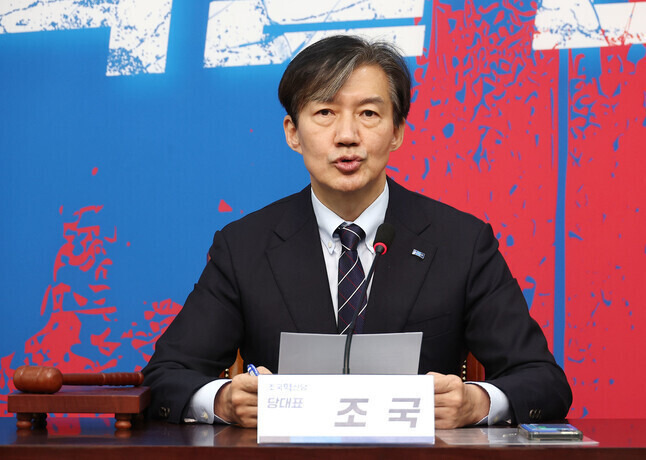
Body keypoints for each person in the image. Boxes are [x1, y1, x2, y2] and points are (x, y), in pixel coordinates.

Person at [142, 35, 572, 429]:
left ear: (397, 131)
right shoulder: (245, 246)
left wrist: (476, 403)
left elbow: (544, 382)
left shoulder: (461, 242)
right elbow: (164, 376)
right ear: (293, 132)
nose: (347, 136)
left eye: (368, 113)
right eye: (325, 113)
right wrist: (223, 401)